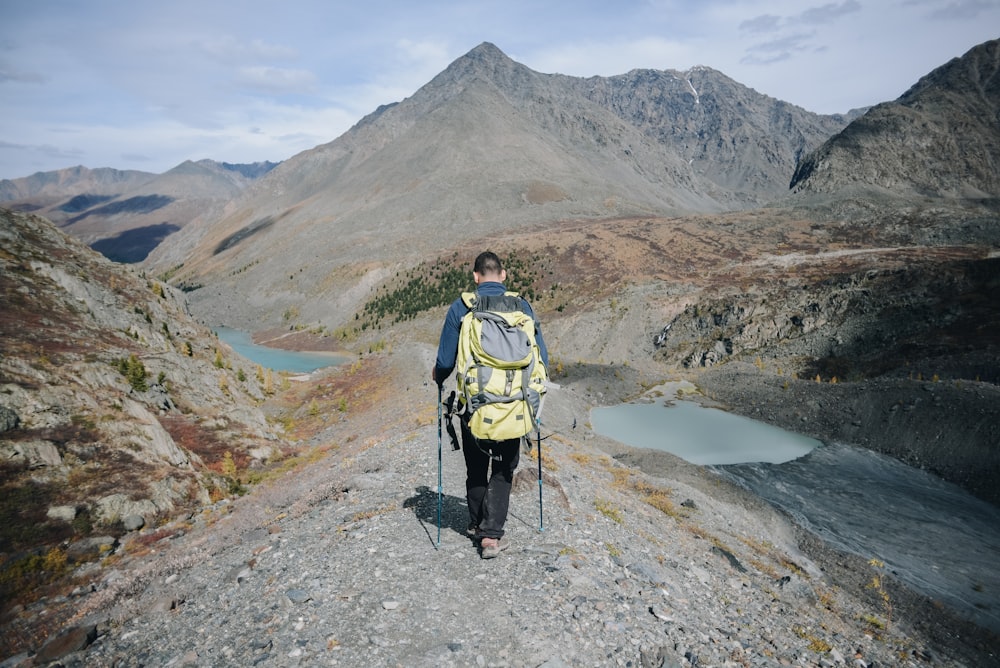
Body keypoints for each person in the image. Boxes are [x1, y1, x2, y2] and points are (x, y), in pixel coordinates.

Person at [432, 251, 549, 558]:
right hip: (515, 404)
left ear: (475, 277)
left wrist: (438, 377)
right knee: (504, 468)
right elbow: (542, 358)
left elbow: (445, 362)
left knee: (475, 466)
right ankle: (492, 536)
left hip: (475, 405)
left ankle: (476, 525)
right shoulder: (522, 306)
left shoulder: (461, 307)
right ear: (504, 275)